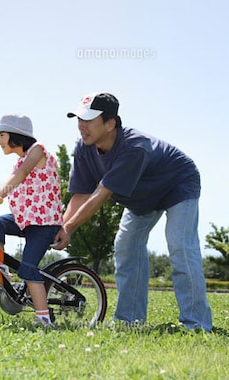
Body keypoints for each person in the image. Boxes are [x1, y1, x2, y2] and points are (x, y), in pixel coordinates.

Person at [53, 92, 213, 331]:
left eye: (88, 119)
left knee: (180, 246)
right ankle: (129, 320)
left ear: (110, 123)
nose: (81, 126)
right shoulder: (85, 148)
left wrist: (69, 228)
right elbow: (80, 195)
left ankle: (197, 324)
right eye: (79, 119)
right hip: (141, 197)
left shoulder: (135, 146)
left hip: (177, 184)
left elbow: (100, 194)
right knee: (126, 249)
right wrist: (60, 228)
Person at [0, 114, 63, 327]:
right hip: (25, 220)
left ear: (16, 135)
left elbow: (22, 173)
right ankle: (2, 272)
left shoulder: (37, 150)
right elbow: (19, 174)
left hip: (44, 222)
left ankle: (44, 318)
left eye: (2, 135)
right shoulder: (20, 159)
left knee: (28, 269)